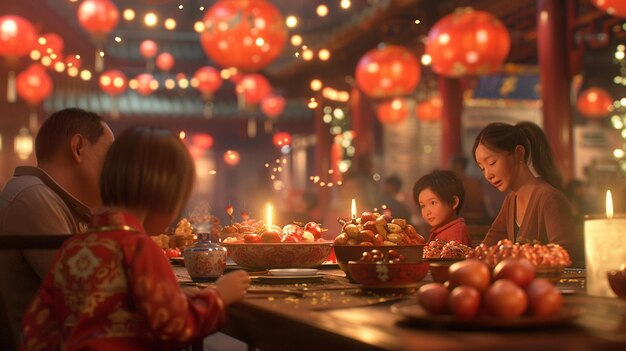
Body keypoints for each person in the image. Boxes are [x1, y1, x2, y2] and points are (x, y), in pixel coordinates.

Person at [20, 126, 251, 350]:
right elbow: (174, 326)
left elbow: (37, 329)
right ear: (162, 198)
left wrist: (175, 296)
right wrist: (218, 296)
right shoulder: (139, 248)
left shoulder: (73, 247)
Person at [0, 108, 114, 346]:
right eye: (110, 157)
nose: (115, 170)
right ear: (78, 147)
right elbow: (90, 296)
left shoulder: (52, 198)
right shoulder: (33, 196)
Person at [473, 121, 580, 262]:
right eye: (482, 168)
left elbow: (565, 254)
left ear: (519, 153)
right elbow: (487, 247)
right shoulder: (511, 200)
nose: (488, 175)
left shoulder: (549, 198)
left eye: (492, 163)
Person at [412, 170, 472, 246]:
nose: (427, 212)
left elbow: (455, 256)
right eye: (423, 206)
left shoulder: (456, 231)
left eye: (433, 203)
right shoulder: (441, 229)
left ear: (454, 202)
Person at [448, 154, 491, 225]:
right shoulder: (476, 183)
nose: (449, 168)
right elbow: (484, 207)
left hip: (464, 222)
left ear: (458, 166)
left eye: (451, 166)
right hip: (479, 220)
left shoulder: (457, 185)